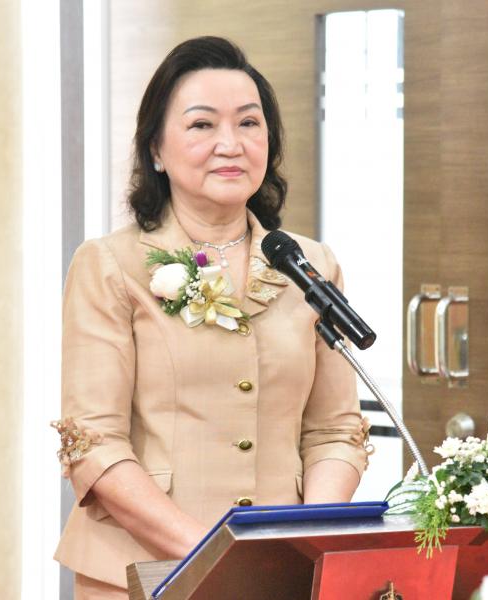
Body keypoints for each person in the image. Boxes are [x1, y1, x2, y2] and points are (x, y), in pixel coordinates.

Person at [52, 36, 373, 599]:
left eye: (249, 123)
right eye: (202, 125)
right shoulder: (110, 265)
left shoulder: (310, 265)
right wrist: (215, 558)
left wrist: (306, 544)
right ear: (156, 149)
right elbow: (93, 444)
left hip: (281, 575)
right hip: (145, 575)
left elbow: (334, 431)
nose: (231, 144)